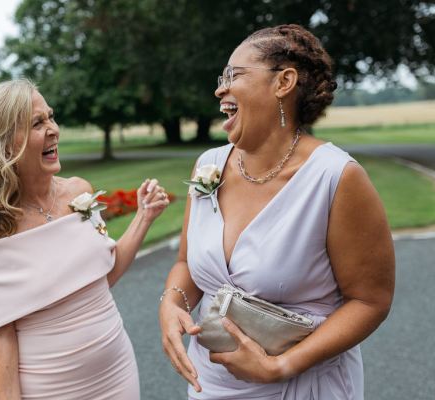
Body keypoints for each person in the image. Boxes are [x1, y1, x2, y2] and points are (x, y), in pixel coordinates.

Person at [159, 24, 395, 399]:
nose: (220, 89)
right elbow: (187, 263)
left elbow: (370, 301)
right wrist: (171, 304)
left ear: (283, 82)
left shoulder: (336, 177)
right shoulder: (209, 165)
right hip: (211, 385)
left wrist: (282, 366)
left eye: (233, 75)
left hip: (301, 385)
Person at [0, 79, 170, 400]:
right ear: (4, 143)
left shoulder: (79, 192)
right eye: (37, 123)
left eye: (51, 117)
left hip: (117, 370)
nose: (53, 129)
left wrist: (143, 216)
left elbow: (105, 275)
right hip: (50, 388)